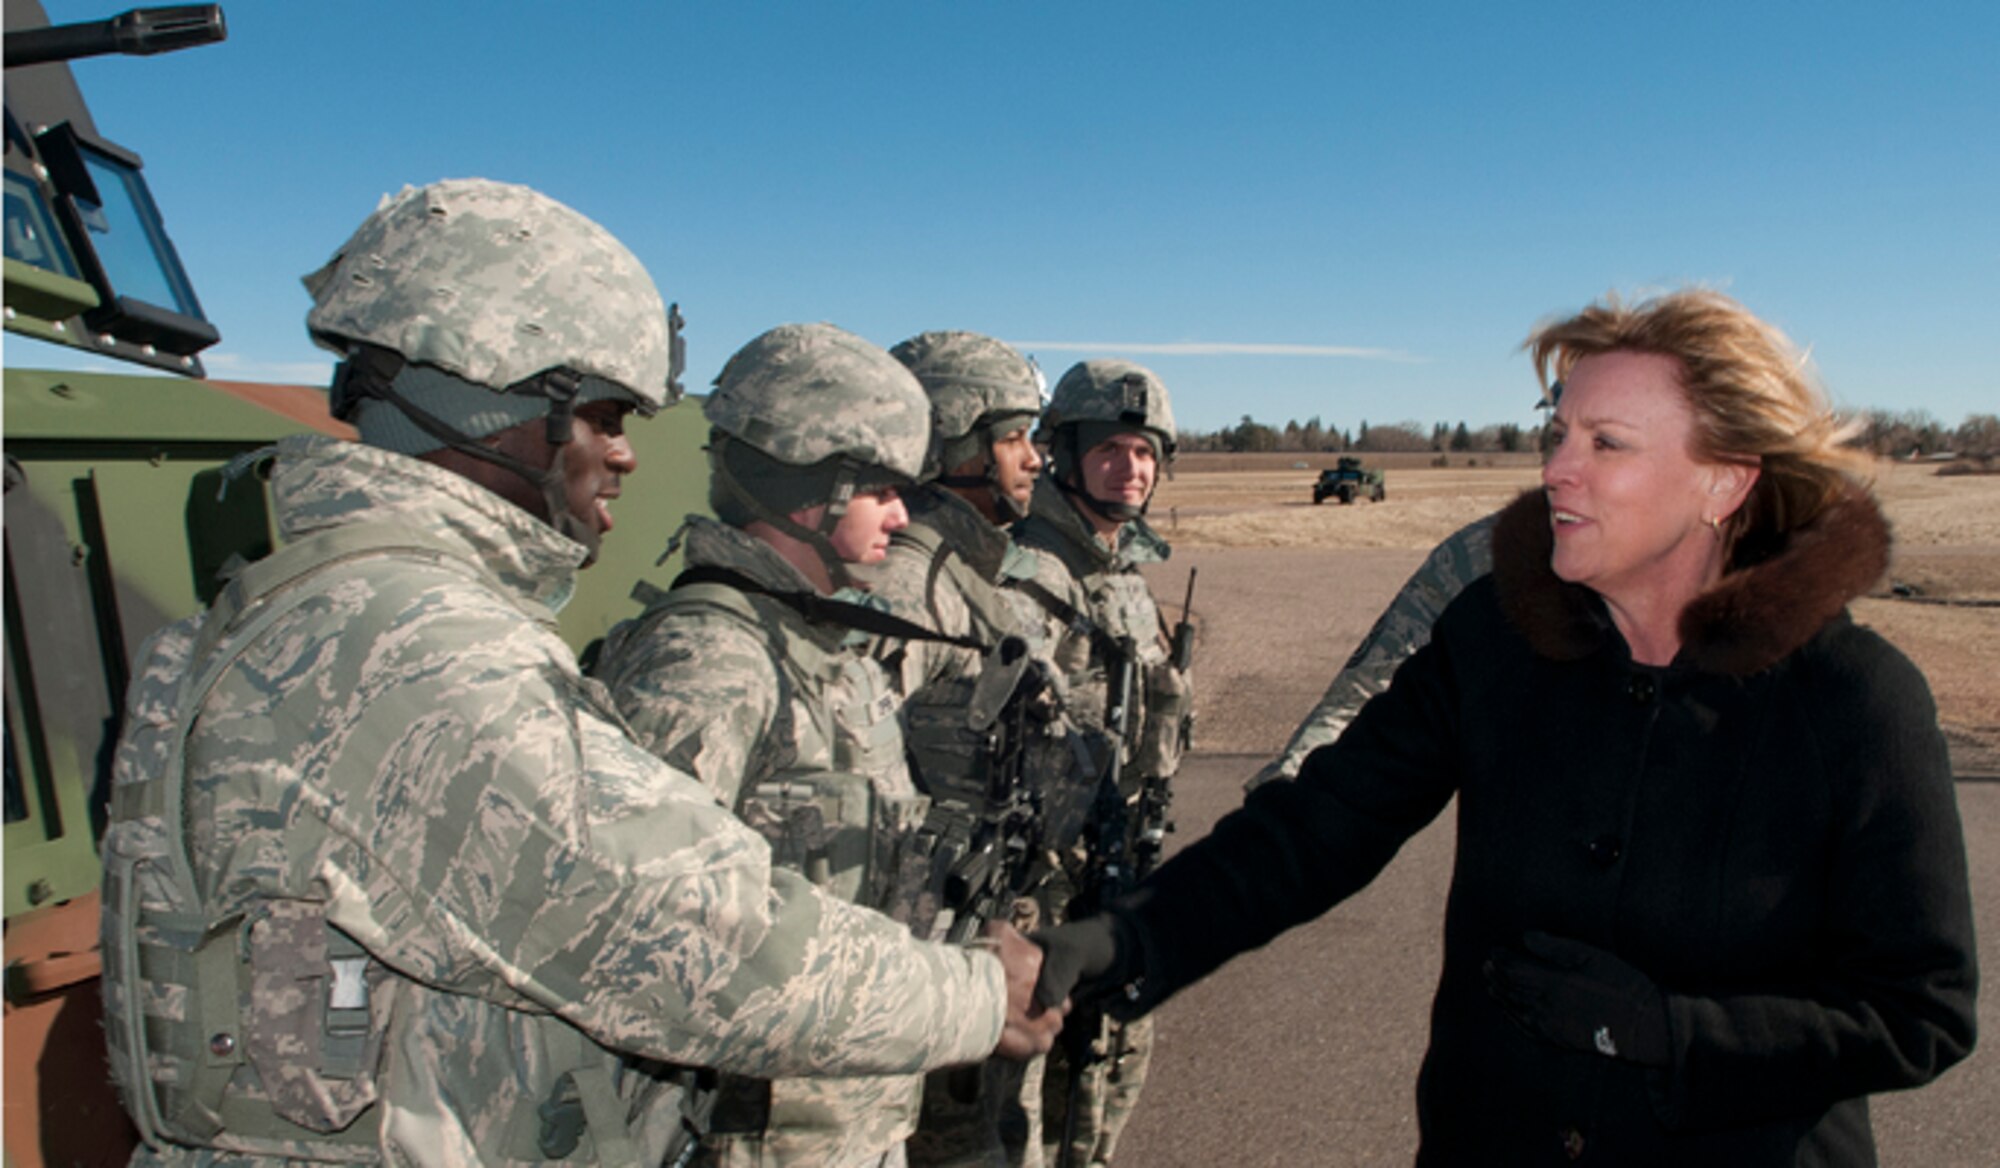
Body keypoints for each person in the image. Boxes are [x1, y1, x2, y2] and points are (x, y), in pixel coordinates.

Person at [97, 182, 1057, 1168]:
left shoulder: (351, 610)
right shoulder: (404, 644)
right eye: (600, 413)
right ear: (497, 400)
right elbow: (691, 937)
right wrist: (977, 993)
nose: (625, 454)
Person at [1038, 289, 1979, 1165]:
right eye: (1559, 431)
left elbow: (1918, 1010)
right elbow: (1313, 831)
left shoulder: (1854, 699)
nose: (1556, 468)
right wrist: (1114, 945)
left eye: (1607, 444)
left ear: (1724, 484)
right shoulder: (1498, 639)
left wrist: (1673, 1035)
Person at [592, 322, 999, 1167]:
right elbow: (648, 938)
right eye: (881, 489)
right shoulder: (714, 663)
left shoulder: (820, 653)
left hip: (848, 1127)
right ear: (812, 487)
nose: (901, 513)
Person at [873, 331, 1088, 1168]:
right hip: (928, 967)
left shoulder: (986, 580)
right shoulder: (904, 592)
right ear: (948, 444)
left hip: (993, 945)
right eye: (1011, 438)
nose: (1034, 459)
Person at [1010, 360, 1194, 1168]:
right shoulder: (1034, 573)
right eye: (1113, 450)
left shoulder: (1122, 574)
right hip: (1038, 883)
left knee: (1113, 1065)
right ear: (1066, 454)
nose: (1132, 467)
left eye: (1146, 451)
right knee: (1016, 1095)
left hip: (1115, 864)